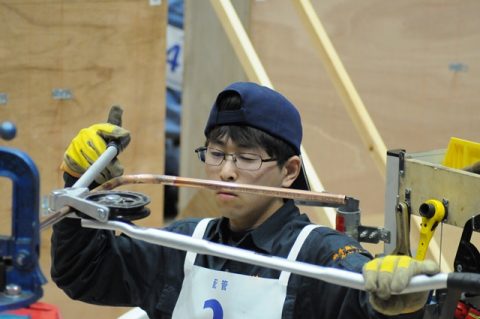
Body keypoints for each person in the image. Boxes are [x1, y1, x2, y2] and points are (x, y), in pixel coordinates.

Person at [51, 82, 438, 319]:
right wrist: (80, 186)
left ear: (289, 171)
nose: (226, 172)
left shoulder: (320, 256)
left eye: (247, 158)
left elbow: (372, 308)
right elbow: (83, 275)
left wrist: (401, 302)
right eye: (216, 154)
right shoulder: (184, 244)